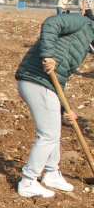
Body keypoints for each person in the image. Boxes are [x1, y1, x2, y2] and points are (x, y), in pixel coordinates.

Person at [14, 14, 94, 198]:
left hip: (45, 82)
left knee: (54, 130)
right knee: (48, 134)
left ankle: (51, 173)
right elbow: (52, 22)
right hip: (37, 79)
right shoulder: (83, 23)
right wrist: (48, 54)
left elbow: (59, 78)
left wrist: (66, 109)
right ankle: (28, 181)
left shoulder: (85, 39)